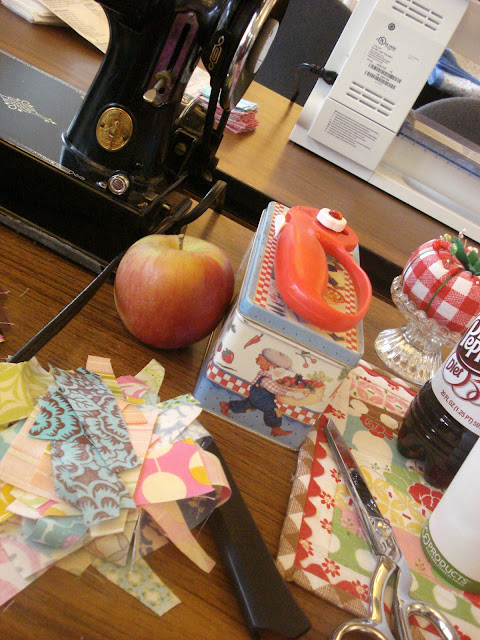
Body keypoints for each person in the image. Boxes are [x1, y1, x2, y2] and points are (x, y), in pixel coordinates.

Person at [220, 348, 307, 437]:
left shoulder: (264, 374)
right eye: (282, 370)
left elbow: (274, 385)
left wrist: (285, 383)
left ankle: (227, 405)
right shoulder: (266, 380)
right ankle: (276, 429)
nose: (283, 373)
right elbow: (277, 390)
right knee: (273, 410)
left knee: (247, 405)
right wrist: (293, 394)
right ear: (272, 368)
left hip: (256, 396)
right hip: (262, 399)